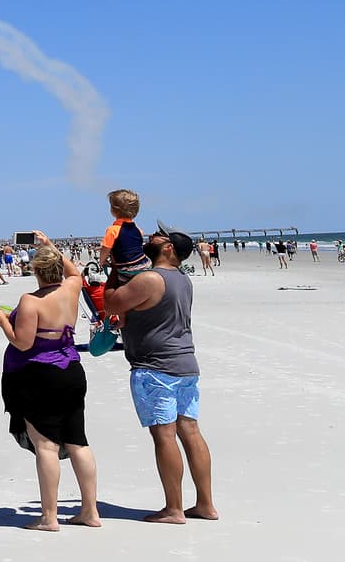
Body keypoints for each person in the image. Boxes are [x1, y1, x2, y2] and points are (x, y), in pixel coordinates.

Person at [104, 222, 218, 524]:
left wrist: (115, 268)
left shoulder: (152, 278)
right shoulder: (182, 279)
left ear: (168, 248)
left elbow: (111, 302)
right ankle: (205, 504)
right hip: (184, 363)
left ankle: (174, 509)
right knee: (190, 431)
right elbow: (154, 314)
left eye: (158, 236)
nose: (149, 237)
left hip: (156, 368)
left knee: (164, 435)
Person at [0, 234, 100, 531]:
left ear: (35, 271)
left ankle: (49, 517)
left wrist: (2, 322)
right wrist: (49, 245)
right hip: (72, 370)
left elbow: (22, 343)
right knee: (78, 441)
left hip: (40, 375)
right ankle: (90, 511)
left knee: (46, 446)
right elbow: (75, 271)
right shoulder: (72, 287)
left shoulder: (30, 301)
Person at [98, 189, 152, 283]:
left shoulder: (113, 230)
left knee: (116, 285)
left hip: (127, 270)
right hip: (145, 265)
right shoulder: (138, 230)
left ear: (113, 210)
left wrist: (102, 261)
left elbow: (105, 249)